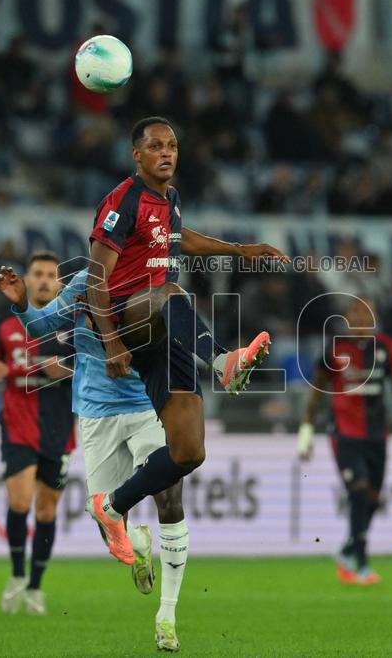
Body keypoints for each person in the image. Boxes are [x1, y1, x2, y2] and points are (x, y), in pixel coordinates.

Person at [83, 116, 289, 564]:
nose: (166, 152)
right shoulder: (122, 201)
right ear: (136, 155)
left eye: (172, 145)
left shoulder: (170, 199)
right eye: (156, 146)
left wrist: (240, 250)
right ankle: (221, 363)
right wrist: (112, 342)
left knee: (189, 451)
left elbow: (181, 241)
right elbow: (95, 277)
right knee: (171, 292)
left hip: (164, 327)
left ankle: (112, 506)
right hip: (128, 319)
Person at [0, 265, 188, 651]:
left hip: (146, 406)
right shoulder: (85, 283)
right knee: (105, 519)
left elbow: (179, 338)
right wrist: (21, 306)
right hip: (96, 414)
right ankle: (137, 543)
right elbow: (41, 326)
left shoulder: (156, 281)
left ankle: (166, 617)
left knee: (169, 498)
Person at [0, 251, 74, 616]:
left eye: (52, 274)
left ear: (59, 282)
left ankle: (36, 586)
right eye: (38, 273)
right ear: (28, 279)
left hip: (58, 424)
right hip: (18, 419)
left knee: (47, 508)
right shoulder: (4, 325)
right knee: (19, 501)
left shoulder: (74, 324)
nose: (45, 280)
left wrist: (63, 370)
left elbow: (91, 371)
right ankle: (17, 575)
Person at [296, 297, 392, 585]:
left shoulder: (386, 348)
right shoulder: (335, 349)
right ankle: (361, 564)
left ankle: (348, 548)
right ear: (347, 318)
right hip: (344, 433)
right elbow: (316, 393)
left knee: (373, 499)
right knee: (359, 492)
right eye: (355, 313)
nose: (360, 319)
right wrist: (306, 431)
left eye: (366, 313)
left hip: (377, 434)